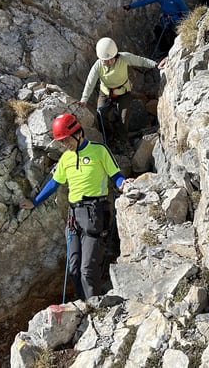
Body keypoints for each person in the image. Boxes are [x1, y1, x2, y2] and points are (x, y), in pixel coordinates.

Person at [19, 114, 134, 300]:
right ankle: (85, 304)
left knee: (87, 269)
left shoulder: (99, 151)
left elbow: (115, 175)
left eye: (66, 139)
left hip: (95, 214)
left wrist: (123, 184)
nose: (65, 144)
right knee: (74, 268)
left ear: (78, 133)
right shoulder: (65, 159)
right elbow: (54, 184)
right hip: (74, 215)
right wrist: (35, 202)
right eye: (61, 141)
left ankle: (95, 308)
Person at [78, 37, 162, 149]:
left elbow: (141, 61)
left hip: (123, 92)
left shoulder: (124, 58)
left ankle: (123, 139)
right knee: (101, 114)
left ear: (116, 55)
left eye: (111, 59)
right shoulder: (98, 66)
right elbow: (90, 83)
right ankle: (109, 136)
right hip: (105, 92)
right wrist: (84, 99)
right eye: (105, 60)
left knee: (124, 115)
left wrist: (156, 65)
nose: (108, 62)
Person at [123, 0, 190, 58]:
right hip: (166, 21)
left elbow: (186, 13)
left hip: (176, 22)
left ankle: (172, 52)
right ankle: (164, 51)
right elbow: (146, 1)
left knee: (174, 35)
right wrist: (130, 6)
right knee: (158, 30)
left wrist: (181, 23)